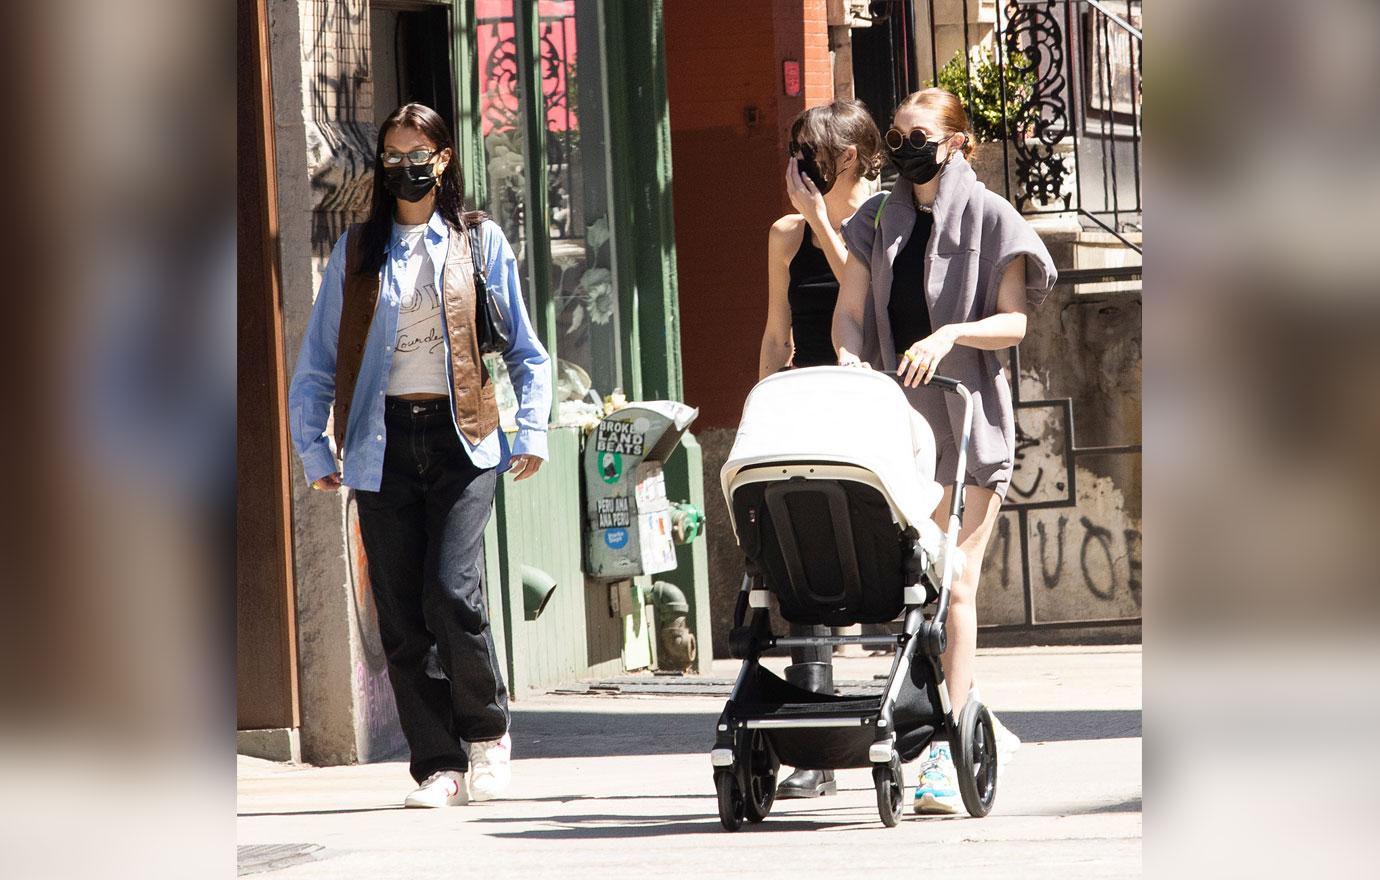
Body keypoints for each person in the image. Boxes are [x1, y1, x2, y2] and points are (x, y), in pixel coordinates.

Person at [288, 102, 551, 808]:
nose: (407, 166)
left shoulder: (478, 241)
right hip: (381, 444)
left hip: (463, 437)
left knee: (451, 592)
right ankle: (438, 765)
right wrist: (313, 446)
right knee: (402, 615)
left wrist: (532, 431)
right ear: (382, 165)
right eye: (393, 155)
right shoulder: (356, 252)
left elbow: (526, 350)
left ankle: (488, 737)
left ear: (443, 160)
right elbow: (316, 363)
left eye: (419, 154)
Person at [834, 88, 1056, 815]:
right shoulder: (876, 217)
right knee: (915, 591)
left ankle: (944, 746)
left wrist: (951, 334)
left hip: (968, 427)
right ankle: (951, 706)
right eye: (895, 134)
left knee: (955, 583)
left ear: (956, 143)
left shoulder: (995, 219)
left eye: (919, 135)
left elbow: (1015, 322)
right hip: (897, 430)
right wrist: (847, 361)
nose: (904, 147)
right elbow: (851, 307)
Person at [759, 100, 883, 799]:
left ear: (843, 157)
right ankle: (814, 747)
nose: (799, 161)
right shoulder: (783, 236)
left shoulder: (884, 219)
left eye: (812, 149)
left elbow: (863, 304)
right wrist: (757, 413)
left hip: (863, 406)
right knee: (798, 565)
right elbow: (778, 335)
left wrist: (817, 221)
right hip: (803, 409)